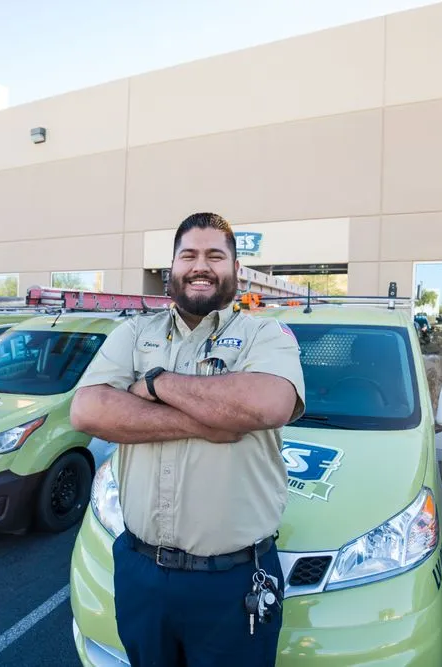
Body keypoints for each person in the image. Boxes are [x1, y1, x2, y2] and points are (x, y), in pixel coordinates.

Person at [70, 212, 306, 666]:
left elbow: (268, 402)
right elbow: (88, 409)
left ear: (236, 270)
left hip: (234, 581)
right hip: (141, 572)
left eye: (215, 255)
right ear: (172, 269)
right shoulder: (134, 333)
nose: (201, 265)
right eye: (189, 255)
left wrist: (155, 385)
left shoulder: (264, 334)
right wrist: (211, 421)